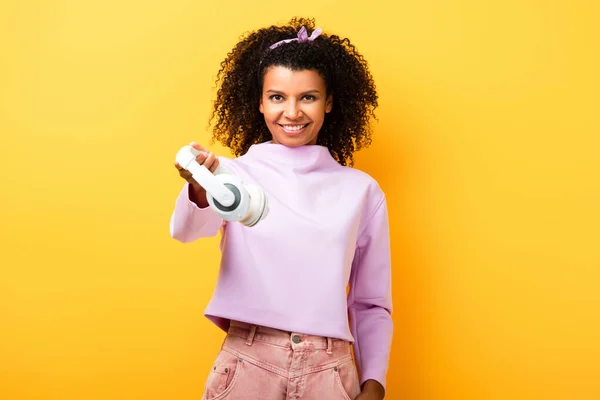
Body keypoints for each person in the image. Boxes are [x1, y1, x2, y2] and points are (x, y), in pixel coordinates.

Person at [170, 17, 392, 400]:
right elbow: (187, 231)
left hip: (331, 370)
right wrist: (200, 188)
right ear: (259, 102)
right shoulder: (231, 175)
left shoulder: (362, 191)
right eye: (277, 97)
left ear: (330, 102)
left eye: (308, 97)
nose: (292, 112)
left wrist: (374, 382)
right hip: (248, 364)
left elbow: (371, 301)